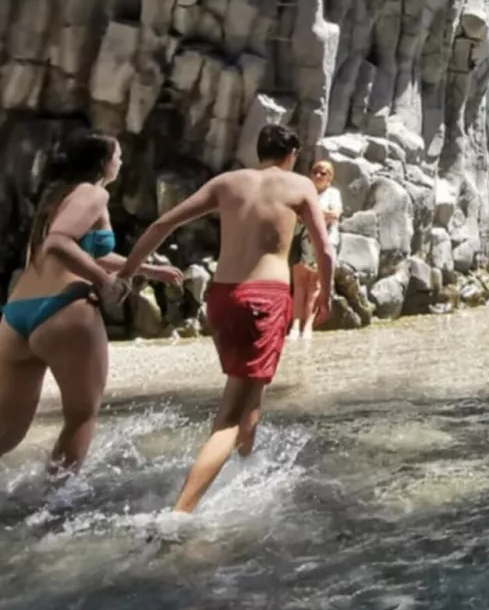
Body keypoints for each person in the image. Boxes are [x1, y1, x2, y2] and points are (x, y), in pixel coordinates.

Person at [0, 131, 181, 548]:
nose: (122, 161)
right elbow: (61, 244)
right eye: (118, 155)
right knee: (81, 416)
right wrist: (105, 283)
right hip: (65, 310)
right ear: (101, 162)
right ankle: (51, 512)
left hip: (17, 317)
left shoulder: (59, 197)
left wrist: (145, 269)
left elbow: (78, 247)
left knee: (1, 433)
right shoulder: (93, 194)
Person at [117, 124, 333, 514]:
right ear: (291, 156)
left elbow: (163, 224)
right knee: (231, 415)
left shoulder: (227, 182)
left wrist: (129, 270)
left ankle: (243, 473)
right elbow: (325, 252)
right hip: (264, 300)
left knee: (251, 392)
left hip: (222, 297)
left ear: (259, 151)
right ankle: (180, 513)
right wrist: (326, 297)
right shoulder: (299, 186)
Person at [290, 159, 342, 342]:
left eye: (323, 173)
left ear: (330, 177)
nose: (318, 175)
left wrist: (311, 215)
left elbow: (335, 214)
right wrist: (319, 215)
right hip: (302, 242)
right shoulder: (304, 193)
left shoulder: (333, 193)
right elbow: (296, 214)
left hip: (323, 243)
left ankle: (308, 326)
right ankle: (295, 325)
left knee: (315, 286)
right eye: (315, 172)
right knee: (299, 285)